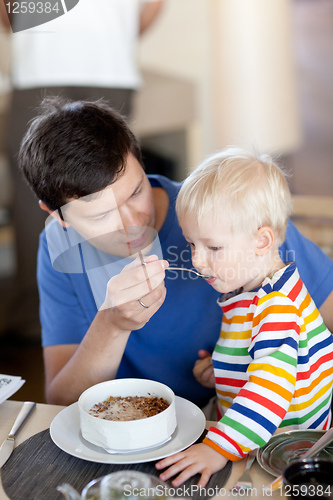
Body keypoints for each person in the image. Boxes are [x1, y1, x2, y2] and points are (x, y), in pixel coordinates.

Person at [18, 98, 333, 409]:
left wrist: (260, 368)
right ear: (58, 216)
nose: (132, 224)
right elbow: (61, 402)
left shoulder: (229, 215)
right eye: (102, 217)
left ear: (142, 163)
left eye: (136, 192)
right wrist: (112, 325)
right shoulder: (59, 247)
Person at [155, 148, 333, 487]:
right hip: (254, 432)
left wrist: (217, 449)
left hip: (280, 453)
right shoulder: (253, 290)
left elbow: (269, 391)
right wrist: (224, 371)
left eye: (213, 248)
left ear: (262, 241)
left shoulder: (277, 306)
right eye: (192, 245)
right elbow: (268, 365)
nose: (198, 261)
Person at [0, 0, 164, 334]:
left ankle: (40, 317)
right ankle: (122, 306)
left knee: (44, 196)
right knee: (110, 193)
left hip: (41, 62)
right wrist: (117, 34)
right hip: (105, 62)